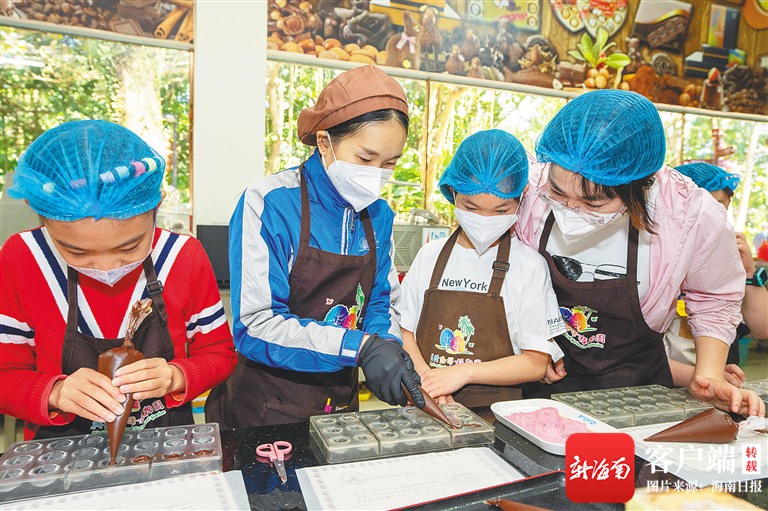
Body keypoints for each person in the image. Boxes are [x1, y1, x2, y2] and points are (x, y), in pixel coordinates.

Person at [516, 90, 764, 417]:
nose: (570, 209)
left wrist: (708, 374)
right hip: (539, 382)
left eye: (593, 202)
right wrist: (534, 344)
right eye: (558, 192)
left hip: (638, 392)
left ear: (640, 186)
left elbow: (713, 297)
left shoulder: (688, 215)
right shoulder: (527, 189)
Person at [205, 65, 423, 428]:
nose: (376, 174)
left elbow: (379, 301)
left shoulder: (380, 215)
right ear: (325, 143)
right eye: (365, 159)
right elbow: (255, 326)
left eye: (389, 164)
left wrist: (385, 345)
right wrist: (359, 347)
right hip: (263, 408)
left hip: (338, 404)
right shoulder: (270, 203)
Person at [0, 120, 237, 439]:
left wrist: (175, 376)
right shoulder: (23, 258)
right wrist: (55, 392)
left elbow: (220, 353)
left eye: (129, 247)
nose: (106, 267)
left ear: (157, 204)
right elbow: (5, 373)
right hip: (61, 448)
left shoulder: (182, 256)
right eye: (77, 252)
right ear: (39, 213)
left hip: (165, 442)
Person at [399, 130, 566, 407]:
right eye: (471, 207)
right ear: (453, 192)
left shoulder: (529, 265)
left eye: (501, 211)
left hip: (498, 414)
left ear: (522, 197)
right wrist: (428, 380)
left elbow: (536, 363)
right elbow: (404, 331)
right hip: (427, 403)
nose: (485, 220)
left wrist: (462, 373)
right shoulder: (429, 256)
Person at [665, 162, 768, 387]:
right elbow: (636, 355)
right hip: (662, 383)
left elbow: (763, 328)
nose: (714, 218)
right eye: (708, 208)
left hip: (717, 384)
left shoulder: (727, 254)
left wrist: (749, 273)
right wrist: (706, 378)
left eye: (721, 209)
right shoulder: (656, 259)